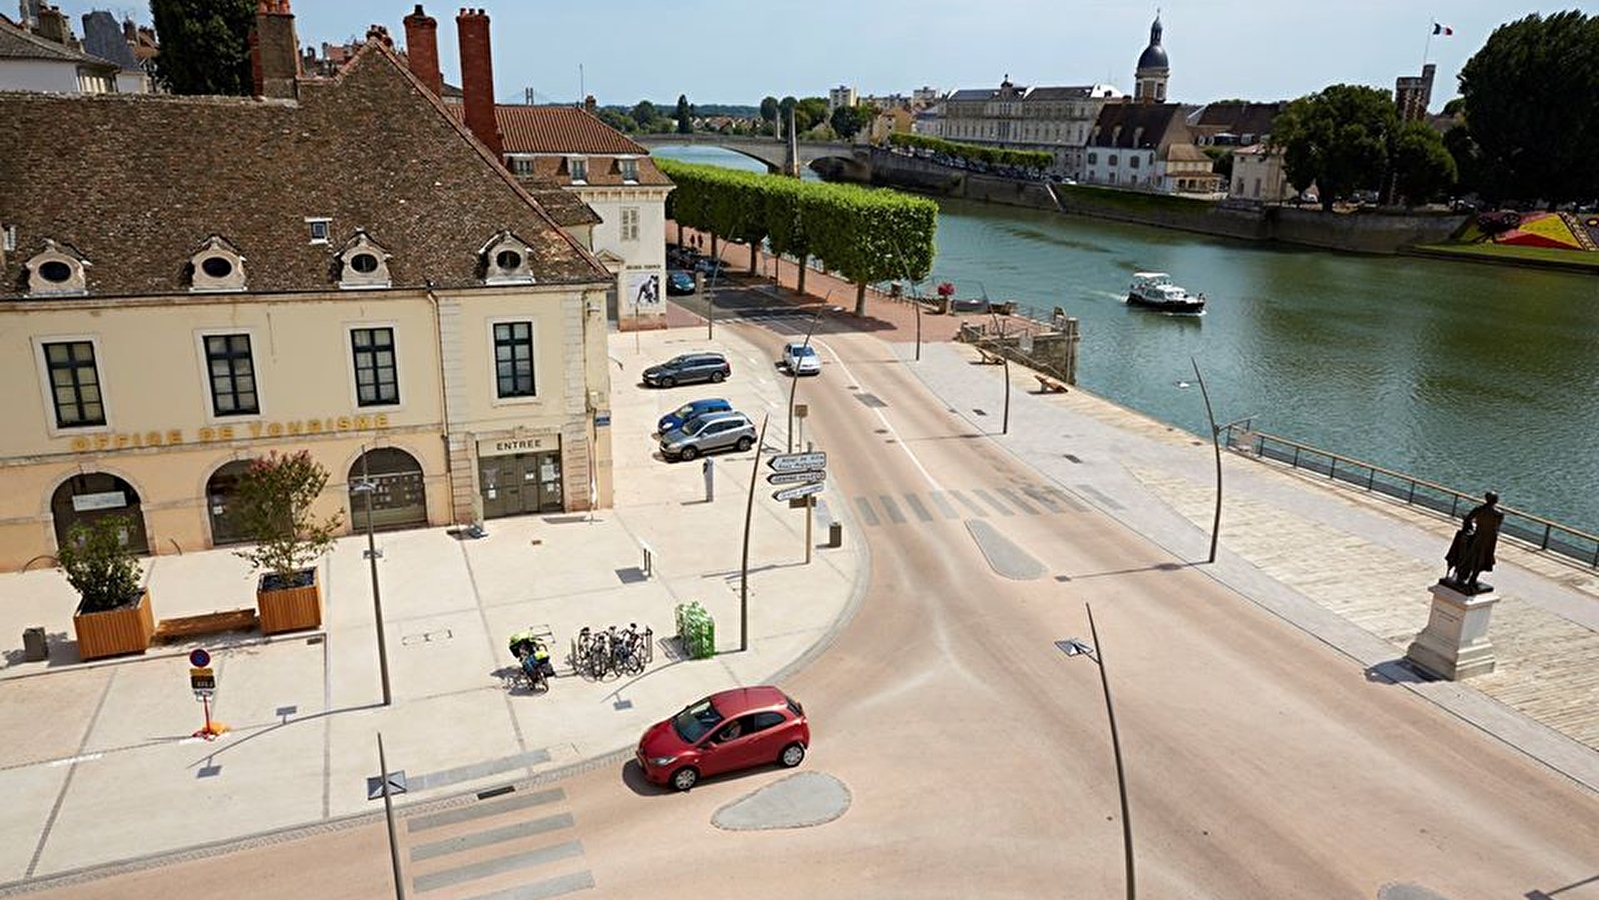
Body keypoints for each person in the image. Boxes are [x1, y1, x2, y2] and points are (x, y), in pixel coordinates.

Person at [1444, 491, 1503, 591]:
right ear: (1495, 500)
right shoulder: (1499, 514)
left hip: (1478, 536)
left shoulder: (1478, 509)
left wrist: (1470, 529)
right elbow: (1497, 527)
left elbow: (1468, 519)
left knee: (1470, 557)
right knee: (1484, 559)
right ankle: (1473, 578)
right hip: (1490, 539)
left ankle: (1463, 575)